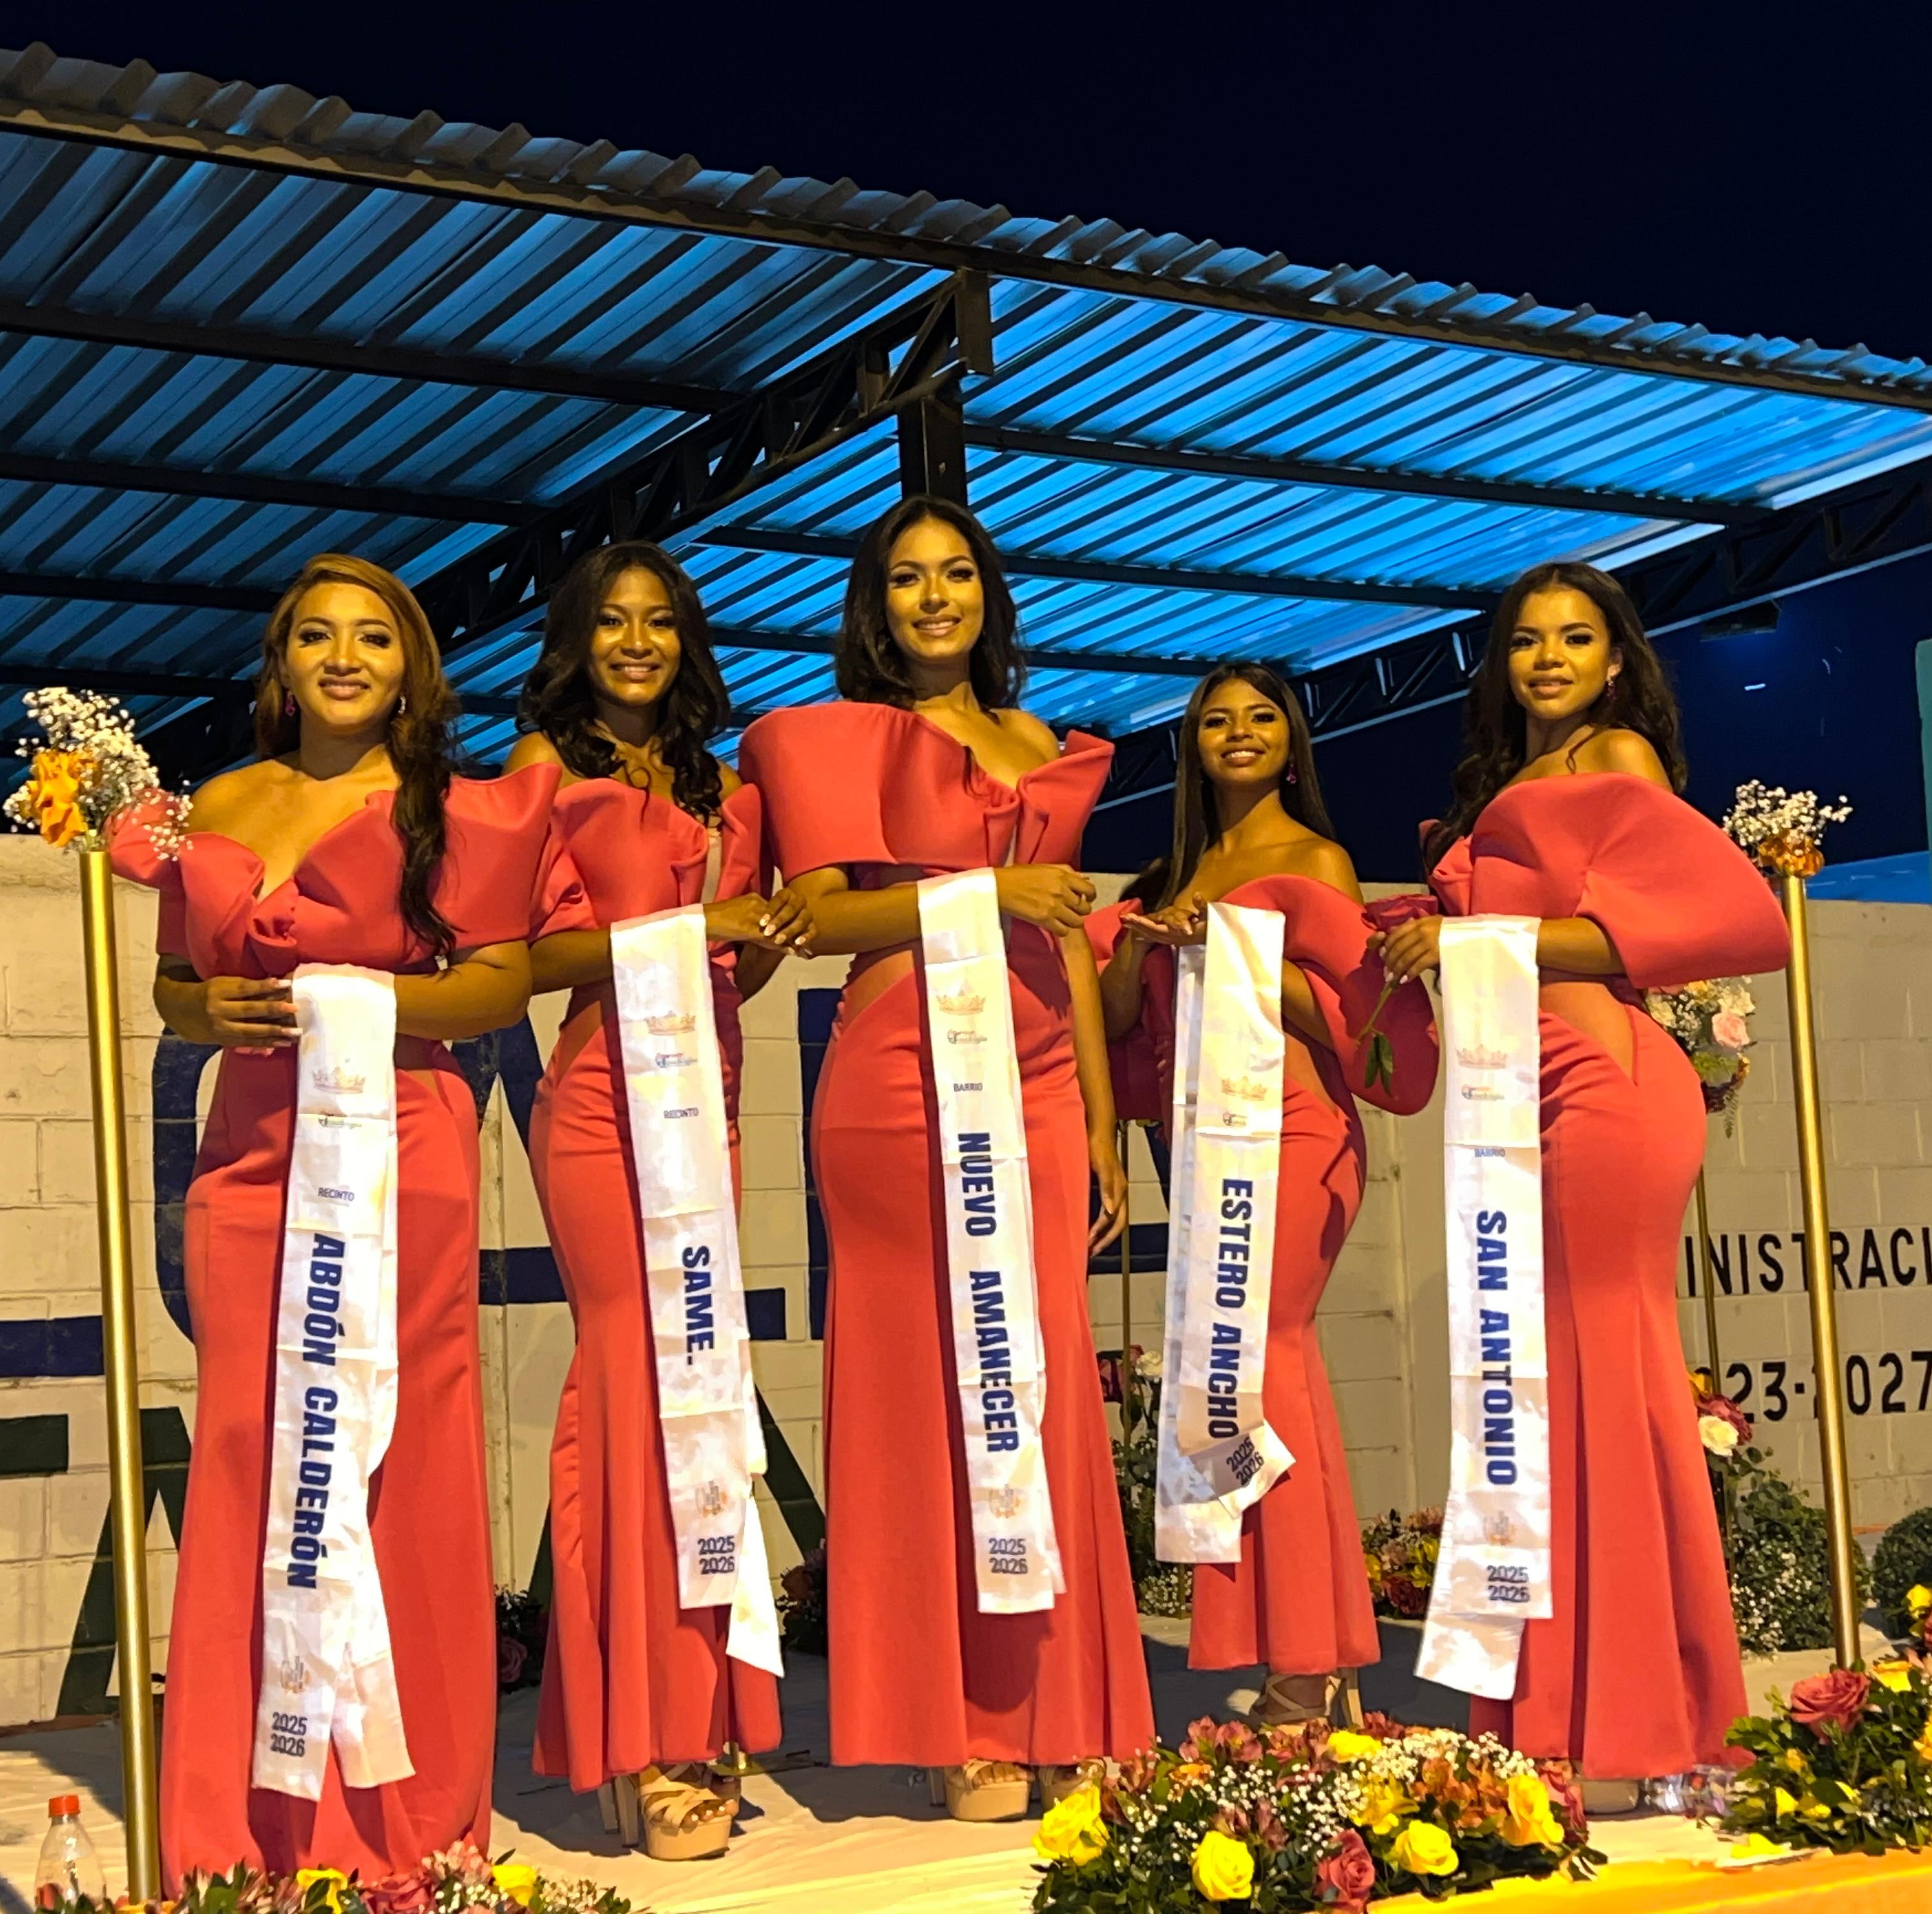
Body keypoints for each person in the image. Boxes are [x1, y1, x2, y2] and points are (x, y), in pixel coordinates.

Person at [111, 553, 555, 1885]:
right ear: (283, 663)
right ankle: (243, 1819)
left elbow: (499, 986)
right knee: (252, 1449)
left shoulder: (453, 809)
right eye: (317, 635)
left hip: (401, 1141)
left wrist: (348, 1000)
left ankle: (405, 1812)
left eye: (374, 636)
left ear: (411, 667)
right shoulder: (222, 803)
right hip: (251, 1153)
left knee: (399, 1457)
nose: (344, 657)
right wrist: (210, 1010)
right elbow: (175, 988)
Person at [737, 496, 1153, 1823]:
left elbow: (1069, 943)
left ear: (988, 592)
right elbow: (817, 919)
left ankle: (1061, 1699)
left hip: (1039, 1080)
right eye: (908, 578)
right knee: (919, 1382)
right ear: (876, 604)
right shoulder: (837, 740)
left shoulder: (1039, 743)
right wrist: (983, 893)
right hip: (899, 1075)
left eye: (956, 573)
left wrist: (1101, 1121)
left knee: (1043, 1378)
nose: (935, 597)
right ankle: (954, 1720)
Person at [1380, 560, 1788, 1797]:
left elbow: (1654, 933)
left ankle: (1646, 1717)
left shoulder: (1619, 760)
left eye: (1573, 638)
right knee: (1537, 1390)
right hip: (1518, 1092)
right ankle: (1558, 1706)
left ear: (1616, 661)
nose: (1548, 659)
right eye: (1525, 640)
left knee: (1606, 1379)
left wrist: (1469, 935)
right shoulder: (1504, 782)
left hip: (1604, 1088)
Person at [504, 542, 812, 1860]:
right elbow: (523, 957)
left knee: (701, 1390)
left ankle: (705, 1700)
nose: (637, 641)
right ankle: (641, 1727)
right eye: (612, 621)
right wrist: (692, 932)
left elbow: (734, 972)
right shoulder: (539, 768)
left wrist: (759, 940)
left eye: (661, 622)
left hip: (712, 1095)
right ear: (577, 640)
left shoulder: (722, 788)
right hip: (599, 1099)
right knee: (629, 1389)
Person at [1090, 664, 1437, 1727]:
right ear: (1191, 744)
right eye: (1215, 721)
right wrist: (1139, 943)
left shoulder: (1316, 858)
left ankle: (1310, 1657)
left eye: (1261, 718)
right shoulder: (1174, 871)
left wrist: (1233, 948)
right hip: (1199, 1143)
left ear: (1293, 742)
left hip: (1293, 1129)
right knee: (1241, 1379)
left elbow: (1348, 1016)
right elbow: (1116, 1023)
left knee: (1271, 1363)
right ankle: (1296, 1643)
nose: (1238, 734)